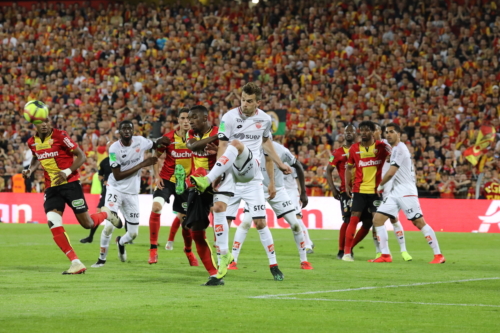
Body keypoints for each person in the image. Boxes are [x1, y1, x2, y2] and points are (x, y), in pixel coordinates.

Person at [191, 82, 292, 281]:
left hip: (251, 172)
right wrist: (220, 173)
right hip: (230, 173)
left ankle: (273, 264)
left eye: (250, 101)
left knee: (260, 222)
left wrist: (279, 163)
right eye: (243, 100)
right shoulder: (228, 117)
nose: (245, 104)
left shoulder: (264, 119)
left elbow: (266, 143)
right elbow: (221, 145)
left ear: (258, 102)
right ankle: (223, 261)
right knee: (218, 210)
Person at [23, 113, 122, 274]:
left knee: (87, 224)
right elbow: (36, 157)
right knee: (53, 222)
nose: (45, 125)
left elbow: (81, 156)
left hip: (70, 184)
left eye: (47, 121)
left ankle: (106, 214)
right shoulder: (32, 142)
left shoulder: (60, 136)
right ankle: (75, 262)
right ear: (34, 124)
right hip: (52, 187)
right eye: (40, 122)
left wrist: (67, 171)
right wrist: (30, 170)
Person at [91, 120, 169, 267]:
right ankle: (101, 259)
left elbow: (154, 143)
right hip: (115, 189)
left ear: (133, 131)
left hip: (132, 193)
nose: (127, 131)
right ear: (120, 132)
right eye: (124, 128)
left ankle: (121, 242)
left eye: (129, 128)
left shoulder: (140, 141)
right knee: (109, 226)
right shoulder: (114, 149)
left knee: (133, 234)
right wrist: (142, 164)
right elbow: (118, 175)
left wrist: (164, 139)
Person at [228, 141, 313, 270]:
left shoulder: (281, 150)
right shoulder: (248, 147)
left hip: (278, 190)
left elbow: (298, 165)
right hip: (256, 190)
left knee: (295, 224)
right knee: (245, 222)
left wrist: (303, 192)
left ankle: (304, 261)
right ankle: (233, 260)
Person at [370, 123, 446, 264]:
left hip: (406, 191)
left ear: (399, 134)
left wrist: (380, 186)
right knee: (377, 220)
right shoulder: (394, 149)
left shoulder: (401, 149)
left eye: (391, 132)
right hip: (395, 191)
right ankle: (385, 255)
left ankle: (438, 255)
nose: (388, 134)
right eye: (387, 132)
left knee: (418, 222)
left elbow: (391, 172)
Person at [148, 108, 197, 266]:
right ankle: (153, 249)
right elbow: (155, 157)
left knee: (185, 222)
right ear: (178, 120)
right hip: (167, 180)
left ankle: (188, 251)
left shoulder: (197, 139)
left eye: (188, 118)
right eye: (183, 118)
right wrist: (157, 176)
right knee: (156, 207)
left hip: (186, 184)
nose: (186, 121)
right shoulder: (168, 138)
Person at [342, 121, 391, 262]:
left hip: (376, 191)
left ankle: (381, 252)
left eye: (366, 130)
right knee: (354, 218)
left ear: (372, 131)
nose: (363, 133)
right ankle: (347, 253)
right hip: (359, 189)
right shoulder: (354, 148)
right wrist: (347, 185)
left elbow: (394, 154)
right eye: (361, 130)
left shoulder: (381, 147)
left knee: (377, 221)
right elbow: (349, 168)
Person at [184, 105, 221, 286]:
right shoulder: (191, 135)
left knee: (223, 226)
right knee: (196, 231)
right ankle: (213, 274)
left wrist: (221, 137)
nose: (190, 121)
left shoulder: (217, 130)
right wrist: (220, 137)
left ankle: (223, 265)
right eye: (189, 118)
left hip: (221, 184)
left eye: (194, 117)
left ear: (206, 118)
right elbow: (193, 146)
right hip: (199, 185)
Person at [327, 124, 369, 259]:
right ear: (343, 134)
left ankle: (349, 247)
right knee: (348, 220)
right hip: (346, 191)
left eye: (352, 131)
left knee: (368, 221)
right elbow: (328, 170)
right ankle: (342, 250)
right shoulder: (338, 152)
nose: (349, 133)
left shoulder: (362, 149)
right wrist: (333, 188)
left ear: (356, 133)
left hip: (363, 189)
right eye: (347, 132)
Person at [373, 124, 412, 261]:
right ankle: (380, 252)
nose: (377, 133)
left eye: (378, 131)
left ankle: (403, 250)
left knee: (393, 218)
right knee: (375, 220)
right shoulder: (365, 146)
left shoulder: (387, 144)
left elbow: (397, 157)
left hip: (388, 185)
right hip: (373, 185)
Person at [80, 153, 112, 244]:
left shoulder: (121, 160)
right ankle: (90, 237)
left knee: (125, 213)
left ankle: (129, 236)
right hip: (106, 192)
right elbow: (100, 176)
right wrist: (104, 180)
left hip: (119, 191)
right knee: (98, 212)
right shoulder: (104, 162)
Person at [283, 164, 312, 253]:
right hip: (282, 192)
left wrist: (301, 194)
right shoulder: (274, 163)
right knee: (291, 219)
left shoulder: (289, 164)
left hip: (292, 192)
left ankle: (308, 245)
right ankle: (309, 241)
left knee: (297, 217)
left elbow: (298, 180)